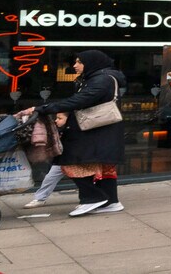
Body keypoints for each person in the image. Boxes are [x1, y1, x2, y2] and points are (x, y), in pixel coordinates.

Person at [21, 50, 127, 216]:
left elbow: (79, 100)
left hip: (96, 130)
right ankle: (111, 201)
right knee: (103, 166)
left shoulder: (102, 79)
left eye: (79, 62)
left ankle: (92, 198)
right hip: (97, 129)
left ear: (91, 63)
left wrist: (42, 108)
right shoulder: (94, 78)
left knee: (69, 160)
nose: (75, 65)